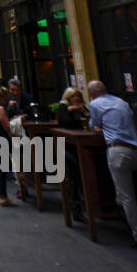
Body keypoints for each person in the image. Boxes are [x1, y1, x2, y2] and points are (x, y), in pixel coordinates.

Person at [87, 80, 137, 247]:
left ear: (92, 94)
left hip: (118, 151)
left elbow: (93, 125)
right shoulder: (121, 102)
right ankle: (120, 206)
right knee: (133, 191)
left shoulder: (95, 104)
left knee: (127, 197)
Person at [56, 87, 88, 223]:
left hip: (81, 145)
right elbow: (64, 120)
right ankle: (77, 206)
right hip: (66, 147)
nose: (77, 98)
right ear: (68, 98)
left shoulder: (82, 109)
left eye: (78, 96)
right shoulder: (63, 107)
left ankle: (86, 203)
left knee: (84, 173)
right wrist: (74, 109)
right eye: (73, 96)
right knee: (75, 171)